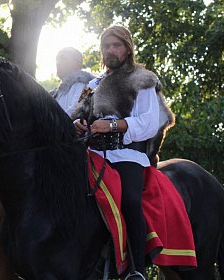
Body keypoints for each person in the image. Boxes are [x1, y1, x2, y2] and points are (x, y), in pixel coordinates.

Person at [73, 25, 161, 279]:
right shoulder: (93, 84)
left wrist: (112, 125)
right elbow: (76, 115)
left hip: (126, 155)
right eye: (106, 46)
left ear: (128, 48)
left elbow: (149, 122)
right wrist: (76, 124)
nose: (110, 50)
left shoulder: (142, 79)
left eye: (116, 45)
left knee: (130, 201)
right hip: (91, 155)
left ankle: (137, 270)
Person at [50, 47, 94, 116]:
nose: (58, 62)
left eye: (63, 58)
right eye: (57, 59)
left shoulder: (82, 84)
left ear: (77, 64)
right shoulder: (57, 92)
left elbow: (75, 110)